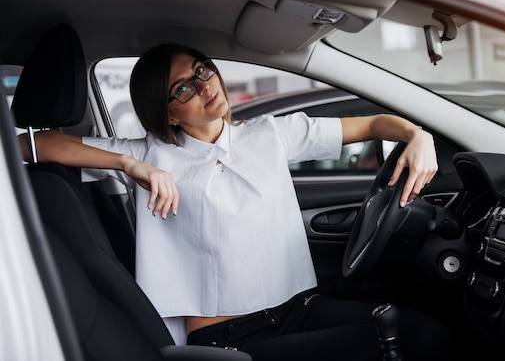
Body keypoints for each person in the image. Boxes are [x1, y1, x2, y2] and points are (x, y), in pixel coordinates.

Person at [19, 43, 453, 360]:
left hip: (298, 310)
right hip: (229, 339)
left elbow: (376, 123)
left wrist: (418, 136)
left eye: (203, 71)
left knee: (425, 332)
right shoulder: (146, 154)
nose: (203, 85)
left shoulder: (269, 134)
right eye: (183, 89)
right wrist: (129, 165)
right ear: (167, 113)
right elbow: (26, 145)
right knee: (396, 341)